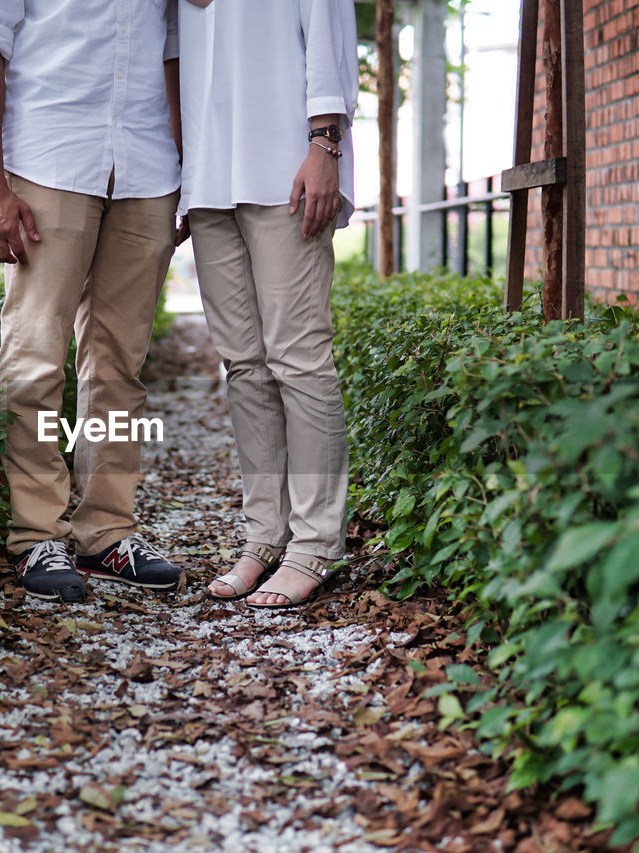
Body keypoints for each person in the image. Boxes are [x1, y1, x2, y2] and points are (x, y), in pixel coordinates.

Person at [0, 0, 186, 603]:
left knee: (120, 363)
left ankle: (107, 531)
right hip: (48, 157)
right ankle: (35, 533)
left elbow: (174, 52)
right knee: (35, 355)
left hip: (146, 167)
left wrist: (188, 170)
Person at [180, 0, 359, 608]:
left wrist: (325, 144)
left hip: (288, 170)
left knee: (298, 359)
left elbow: (328, 36)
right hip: (208, 180)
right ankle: (265, 537)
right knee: (244, 366)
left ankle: (313, 545)